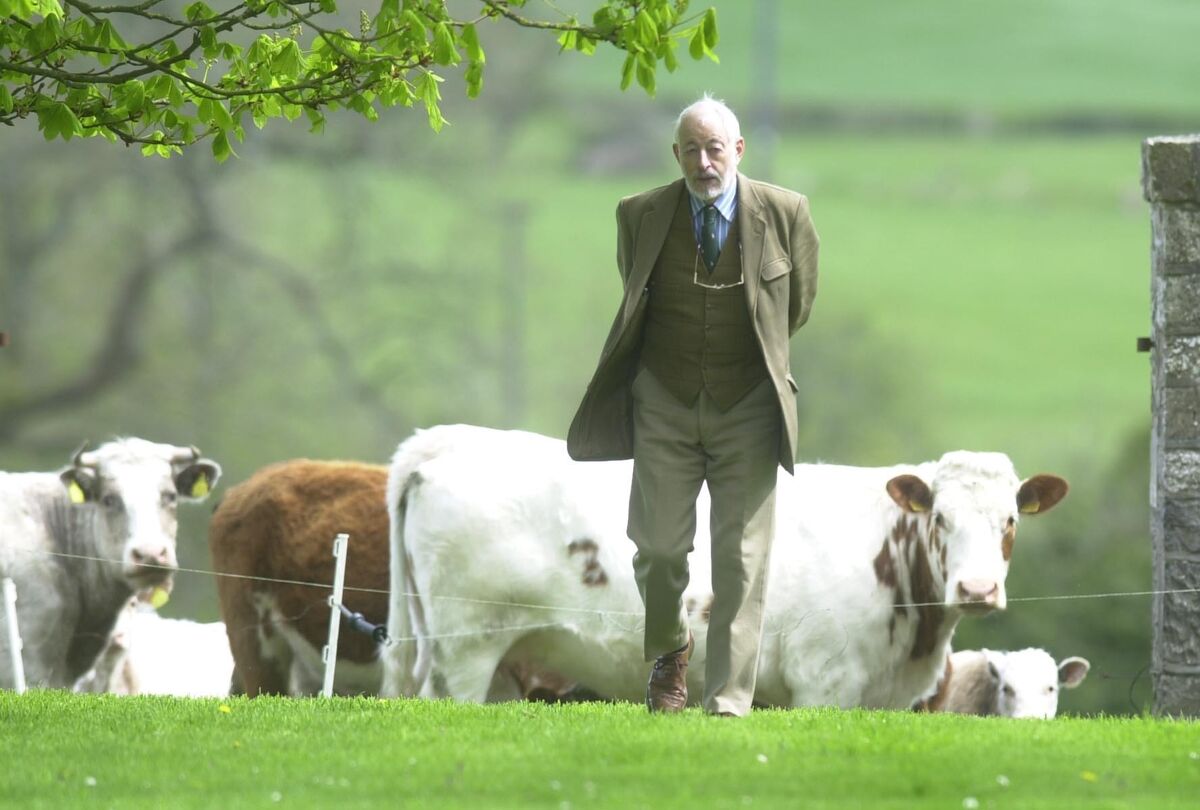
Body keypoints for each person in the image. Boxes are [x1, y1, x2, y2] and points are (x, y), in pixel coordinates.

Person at [567, 95, 819, 716]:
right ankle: (669, 651)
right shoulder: (639, 214)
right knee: (655, 547)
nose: (704, 162)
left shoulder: (786, 213)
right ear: (675, 154)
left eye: (716, 149)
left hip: (750, 408)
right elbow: (636, 292)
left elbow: (798, 305)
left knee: (742, 560)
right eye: (692, 150)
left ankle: (728, 701)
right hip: (665, 403)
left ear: (738, 150)